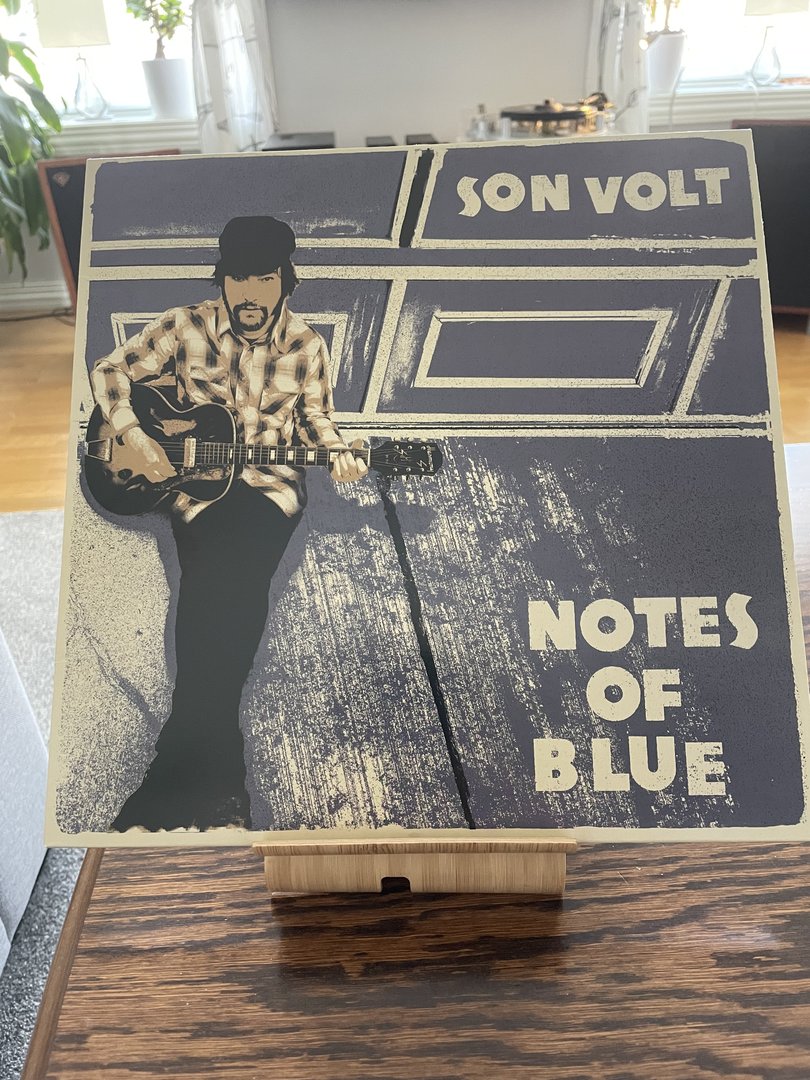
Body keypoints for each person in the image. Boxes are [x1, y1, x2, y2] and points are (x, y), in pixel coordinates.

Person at [90, 215, 367, 832]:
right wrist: (134, 434)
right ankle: (222, 781)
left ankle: (173, 774)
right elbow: (109, 371)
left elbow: (316, 421)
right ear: (223, 279)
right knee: (221, 597)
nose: (249, 294)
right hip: (196, 488)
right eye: (238, 278)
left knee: (225, 593)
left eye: (263, 279)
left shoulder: (307, 346)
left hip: (269, 487)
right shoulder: (183, 325)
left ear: (285, 281)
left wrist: (340, 453)